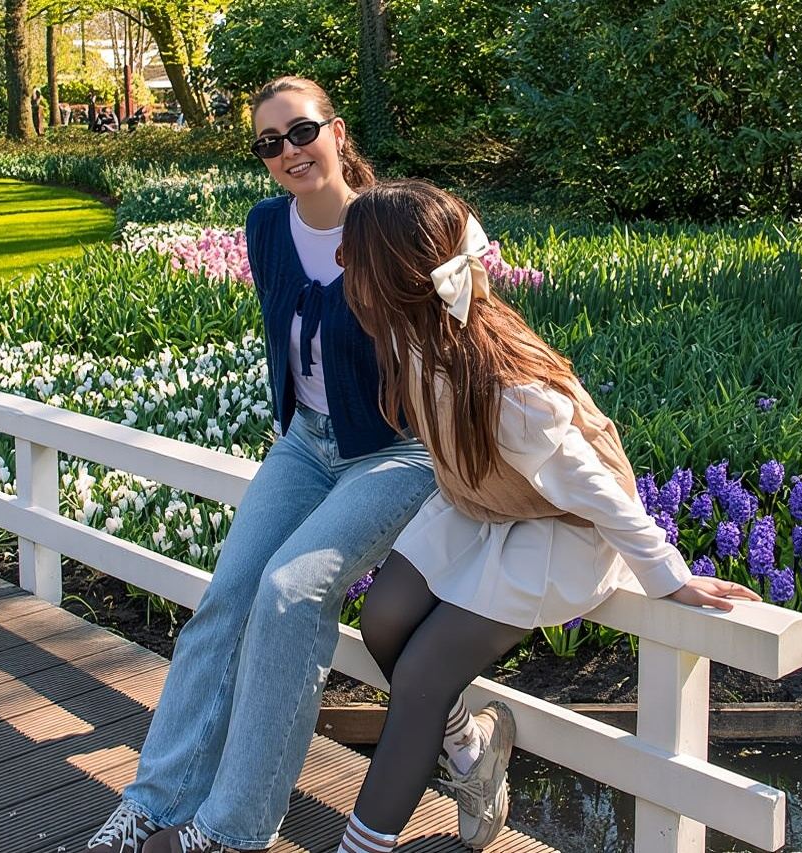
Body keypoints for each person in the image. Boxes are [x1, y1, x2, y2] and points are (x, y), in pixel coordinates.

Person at [330, 179, 762, 853]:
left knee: (421, 675)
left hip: (560, 532)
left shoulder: (509, 393)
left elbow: (596, 489)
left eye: (349, 259)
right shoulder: (410, 335)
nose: (340, 271)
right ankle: (472, 751)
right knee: (384, 618)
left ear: (390, 280)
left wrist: (667, 573)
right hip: (486, 500)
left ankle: (363, 844)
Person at [85, 78, 438, 853]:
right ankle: (151, 800)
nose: (288, 152)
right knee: (228, 597)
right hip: (305, 444)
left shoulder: (392, 227)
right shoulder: (266, 227)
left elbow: (462, 314)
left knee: (289, 589)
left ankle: (231, 830)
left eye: (301, 131)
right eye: (268, 143)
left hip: (396, 450)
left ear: (337, 133)